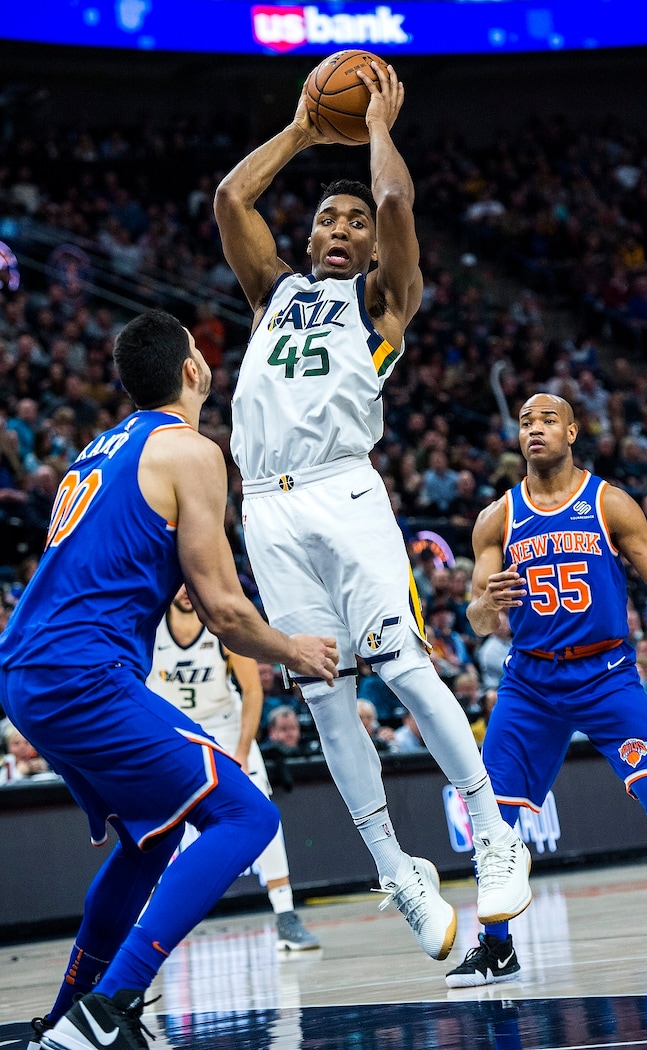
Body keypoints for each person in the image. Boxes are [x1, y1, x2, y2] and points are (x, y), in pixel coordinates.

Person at [214, 60, 531, 965]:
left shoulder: (384, 301)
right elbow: (233, 197)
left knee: (401, 668)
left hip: (344, 490)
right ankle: (396, 866)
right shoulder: (273, 292)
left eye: (352, 219)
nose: (343, 227)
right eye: (328, 218)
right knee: (323, 694)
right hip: (266, 510)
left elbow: (398, 210)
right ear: (309, 238)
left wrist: (378, 129)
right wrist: (306, 131)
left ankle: (492, 831)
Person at [0, 309, 338, 1050]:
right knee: (249, 817)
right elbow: (221, 608)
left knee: (149, 842)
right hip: (79, 669)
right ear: (192, 369)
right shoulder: (191, 450)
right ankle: (111, 1007)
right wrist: (295, 650)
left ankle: (67, 1018)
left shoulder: (99, 448)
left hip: (28, 669)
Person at [446, 392, 647, 989]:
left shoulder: (610, 503)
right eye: (525, 422)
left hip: (605, 674)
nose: (534, 430)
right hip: (530, 680)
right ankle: (497, 947)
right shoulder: (496, 518)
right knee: (493, 818)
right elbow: (476, 618)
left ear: (573, 431)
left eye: (547, 421)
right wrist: (487, 605)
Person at [147, 584, 320, 951]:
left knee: (263, 812)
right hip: (172, 730)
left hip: (224, 726)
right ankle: (144, 921)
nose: (186, 590)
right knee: (150, 821)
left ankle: (285, 915)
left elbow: (252, 691)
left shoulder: (220, 621)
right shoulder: (150, 622)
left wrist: (242, 750)